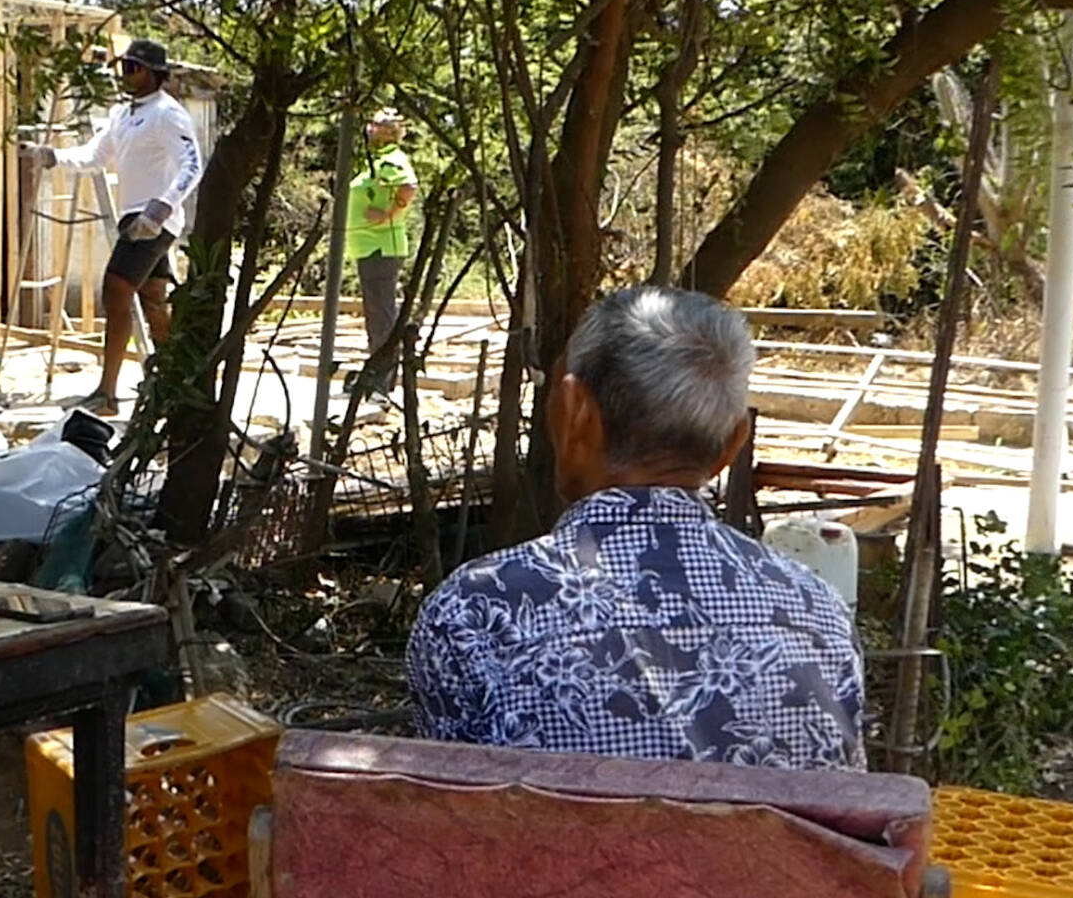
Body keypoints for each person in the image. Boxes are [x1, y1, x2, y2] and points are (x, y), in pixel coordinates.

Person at [406, 286, 864, 771]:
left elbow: (452, 826)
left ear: (576, 412)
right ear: (732, 445)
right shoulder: (819, 614)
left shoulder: (474, 614)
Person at [21, 38, 203, 417]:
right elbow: (94, 156)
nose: (126, 74)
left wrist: (160, 208)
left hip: (155, 222)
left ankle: (107, 393)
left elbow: (192, 165)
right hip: (132, 220)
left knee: (116, 291)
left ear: (155, 74)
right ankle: (177, 382)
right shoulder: (122, 115)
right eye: (124, 68)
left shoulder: (168, 114)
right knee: (154, 300)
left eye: (134, 68)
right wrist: (51, 156)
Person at [344, 108, 418, 395]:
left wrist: (389, 213)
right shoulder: (376, 160)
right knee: (377, 313)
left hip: (380, 247)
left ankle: (382, 381)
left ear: (387, 131)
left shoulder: (393, 159)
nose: (368, 128)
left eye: (374, 124)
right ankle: (377, 372)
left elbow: (409, 187)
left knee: (382, 315)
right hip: (369, 248)